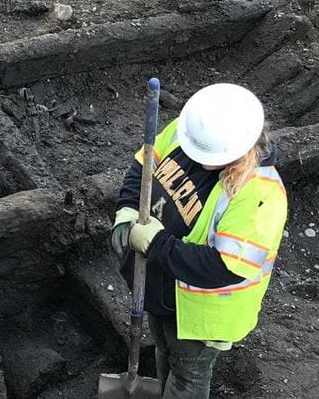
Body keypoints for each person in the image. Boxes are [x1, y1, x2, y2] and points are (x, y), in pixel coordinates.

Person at [110, 83, 288, 399]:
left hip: (200, 318)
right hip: (161, 290)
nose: (198, 159)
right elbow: (145, 163)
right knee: (163, 350)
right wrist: (127, 208)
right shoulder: (192, 130)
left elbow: (225, 267)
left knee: (187, 377)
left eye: (209, 157)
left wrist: (157, 244)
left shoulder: (258, 194)